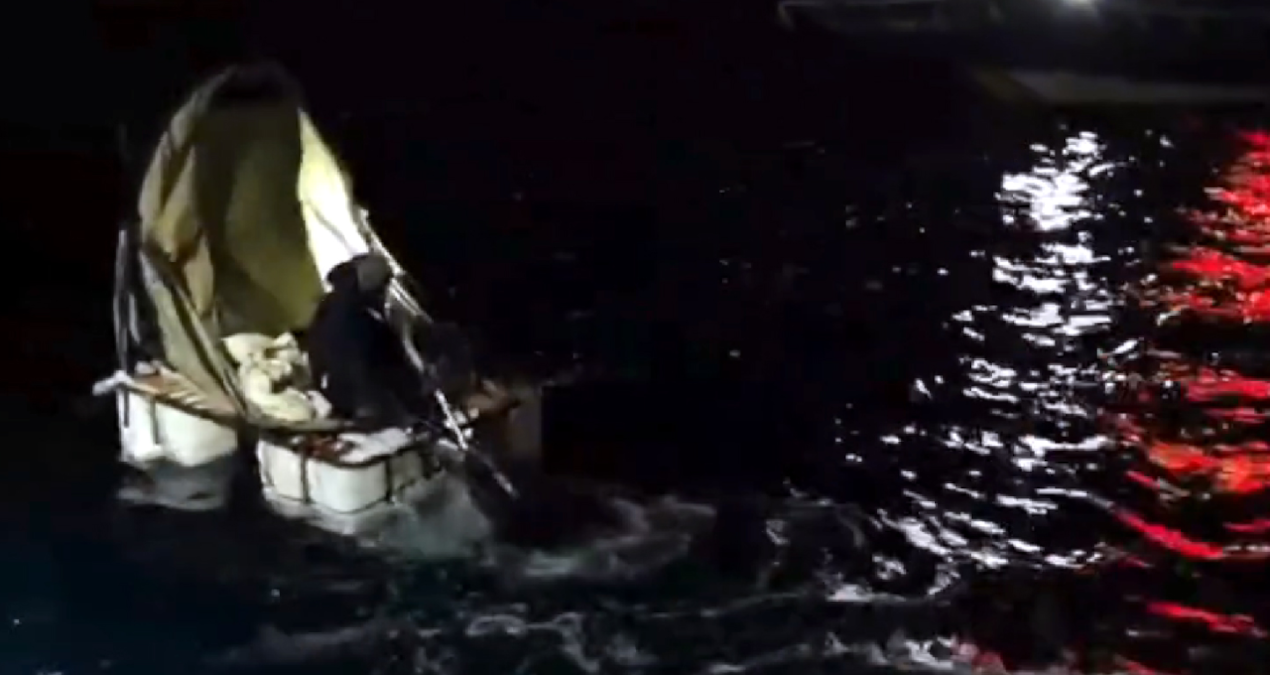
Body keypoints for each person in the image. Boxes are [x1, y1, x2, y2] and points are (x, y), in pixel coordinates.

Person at [305, 253, 445, 427]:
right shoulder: (355, 317)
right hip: (358, 397)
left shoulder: (332, 304)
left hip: (330, 386)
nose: (384, 291)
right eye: (383, 285)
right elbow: (366, 361)